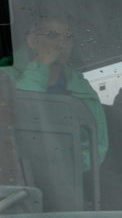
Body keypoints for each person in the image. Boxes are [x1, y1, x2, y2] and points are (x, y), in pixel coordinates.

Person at [3, 14, 108, 171]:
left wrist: (66, 168)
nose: (61, 45)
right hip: (16, 181)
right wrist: (41, 65)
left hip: (69, 183)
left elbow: (97, 146)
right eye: (52, 36)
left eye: (68, 38)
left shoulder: (83, 90)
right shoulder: (5, 77)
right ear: (32, 41)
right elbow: (19, 117)